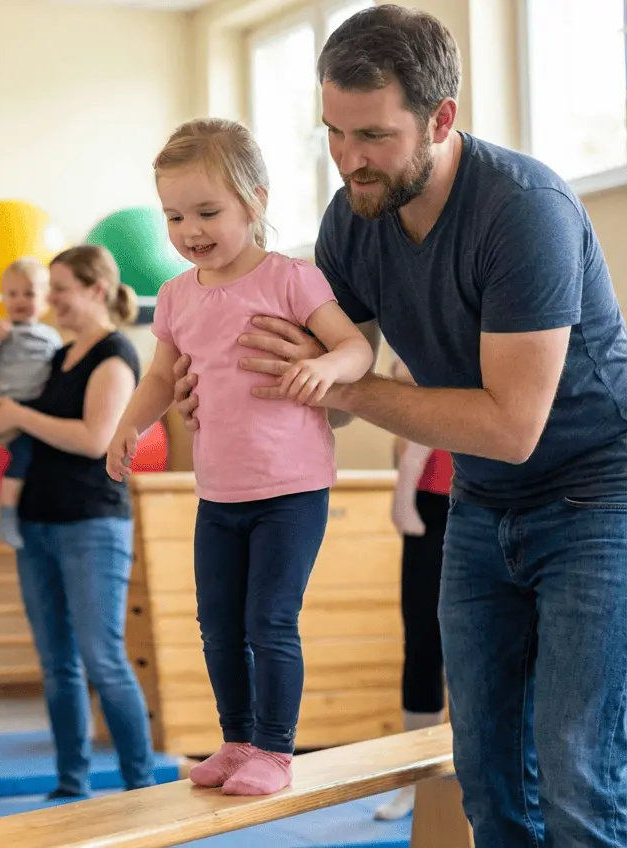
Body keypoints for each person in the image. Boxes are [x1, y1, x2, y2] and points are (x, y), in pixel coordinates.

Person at [172, 5, 627, 844]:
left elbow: (508, 425)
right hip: (485, 506)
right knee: (487, 782)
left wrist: (335, 390)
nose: (349, 160)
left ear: (441, 118)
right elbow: (322, 393)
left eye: (372, 136)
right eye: (333, 134)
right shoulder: (354, 219)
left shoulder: (524, 211)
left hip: (596, 499)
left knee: (577, 781)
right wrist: (237, 396)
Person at [105, 119, 374, 796]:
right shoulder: (175, 295)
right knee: (218, 623)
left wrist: (329, 368)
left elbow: (356, 347)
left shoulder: (290, 279)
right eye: (173, 214)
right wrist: (128, 428)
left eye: (207, 211)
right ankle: (236, 740)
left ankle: (276, 752)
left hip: (291, 489)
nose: (189, 229)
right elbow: (162, 377)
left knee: (270, 619)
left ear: (255, 201)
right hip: (219, 493)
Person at [0, 244, 157, 799]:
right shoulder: (57, 358)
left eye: (60, 288)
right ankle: (70, 782)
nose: (51, 299)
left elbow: (94, 439)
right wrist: (4, 418)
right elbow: (19, 421)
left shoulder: (115, 354)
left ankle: (139, 785)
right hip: (37, 521)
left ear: (97, 290)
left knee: (102, 660)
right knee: (57, 665)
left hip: (92, 523)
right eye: (50, 289)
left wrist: (20, 417)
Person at [374, 356, 451, 822]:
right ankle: (418, 783)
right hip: (430, 509)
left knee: (468, 652)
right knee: (423, 645)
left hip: (469, 501)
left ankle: (460, 779)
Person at [0, 256, 62, 549]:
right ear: (3, 297)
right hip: (7, 408)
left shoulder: (50, 336)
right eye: (12, 294)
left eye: (29, 293)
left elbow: (60, 374)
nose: (20, 300)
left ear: (46, 299)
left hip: (39, 409)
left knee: (42, 460)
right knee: (22, 455)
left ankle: (33, 512)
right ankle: (7, 512)